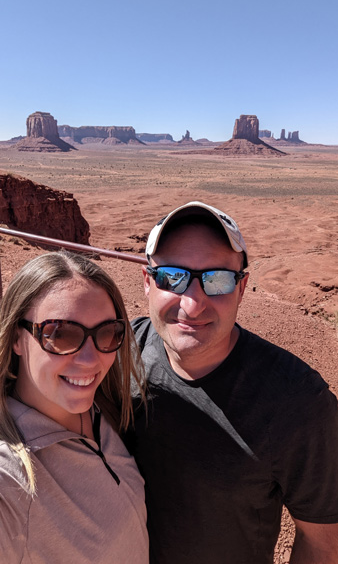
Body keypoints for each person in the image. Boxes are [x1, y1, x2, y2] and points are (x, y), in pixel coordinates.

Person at [126, 201, 338, 564]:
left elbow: (324, 542)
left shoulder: (297, 401)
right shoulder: (118, 354)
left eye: (218, 280)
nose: (193, 305)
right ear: (148, 282)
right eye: (172, 277)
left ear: (242, 288)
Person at [0, 251, 148, 563]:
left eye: (108, 332)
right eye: (60, 334)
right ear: (16, 338)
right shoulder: (10, 477)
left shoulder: (105, 410)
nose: (91, 360)